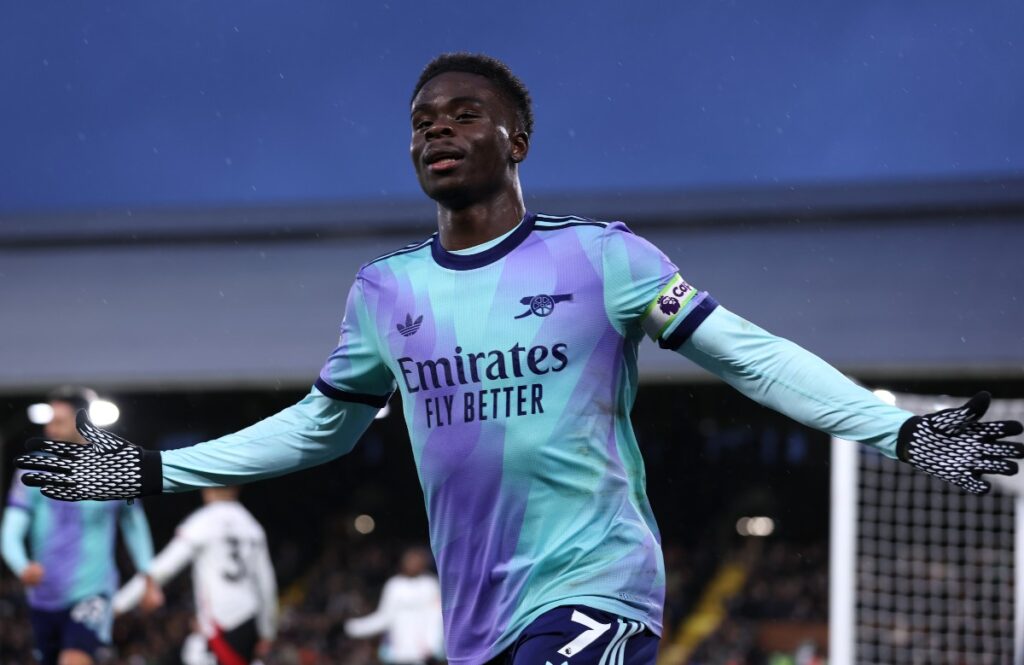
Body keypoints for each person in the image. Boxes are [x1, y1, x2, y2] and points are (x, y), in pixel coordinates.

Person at [17, 53, 1024, 665]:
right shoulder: (385, 292)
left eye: (460, 113)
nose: (436, 130)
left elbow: (749, 356)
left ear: (518, 135)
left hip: (597, 581)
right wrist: (148, 467)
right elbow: (319, 426)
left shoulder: (605, 258)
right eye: (420, 122)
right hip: (478, 611)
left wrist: (896, 427)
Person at [1, 386, 157, 665]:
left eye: (58, 422)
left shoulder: (114, 471)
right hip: (44, 596)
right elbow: (11, 529)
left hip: (92, 592)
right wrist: (20, 565)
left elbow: (134, 524)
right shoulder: (32, 472)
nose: (50, 429)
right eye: (49, 421)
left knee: (74, 660)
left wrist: (148, 575)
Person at [112, 486, 277, 665]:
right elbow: (266, 585)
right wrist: (267, 632)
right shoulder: (252, 527)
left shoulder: (204, 522)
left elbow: (162, 569)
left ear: (206, 488)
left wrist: (118, 604)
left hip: (220, 625)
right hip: (248, 624)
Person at [345, 546, 444, 665]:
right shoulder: (394, 585)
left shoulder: (431, 585)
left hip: (425, 655)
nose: (412, 564)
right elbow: (384, 617)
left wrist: (433, 646)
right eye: (409, 560)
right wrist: (354, 627)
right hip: (398, 655)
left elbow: (437, 617)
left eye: (417, 560)